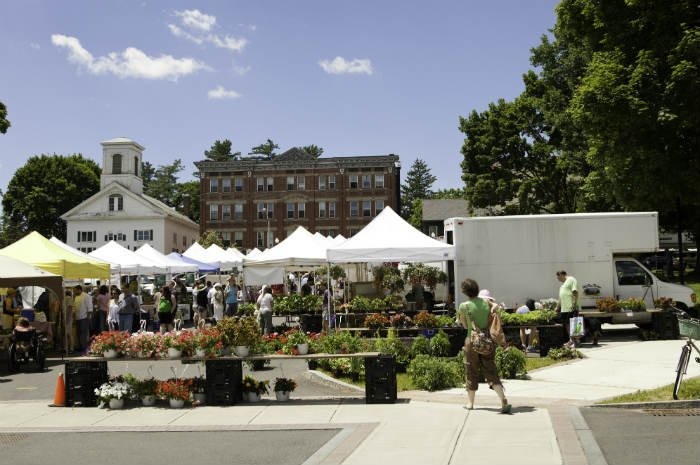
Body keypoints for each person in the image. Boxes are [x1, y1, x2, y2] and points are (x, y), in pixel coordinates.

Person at [456, 278, 511, 413]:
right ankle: (503, 400)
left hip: (471, 341)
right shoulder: (487, 303)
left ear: (465, 292)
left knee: (471, 370)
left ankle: (470, 403)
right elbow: (495, 309)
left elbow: (463, 325)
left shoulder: (464, 306)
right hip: (487, 342)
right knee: (491, 370)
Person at [556, 270, 580, 348]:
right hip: (564, 309)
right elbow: (560, 298)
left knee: (573, 325)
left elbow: (575, 291)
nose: (557, 279)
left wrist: (573, 303)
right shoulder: (562, 286)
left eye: (558, 276)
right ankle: (571, 340)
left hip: (571, 307)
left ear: (562, 274)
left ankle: (575, 341)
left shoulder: (571, 279)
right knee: (567, 325)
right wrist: (557, 307)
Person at [72, 285, 92, 351]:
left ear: (79, 290)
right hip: (78, 318)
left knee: (83, 333)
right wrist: (74, 318)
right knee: (78, 333)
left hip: (84, 317)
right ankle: (80, 346)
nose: (74, 292)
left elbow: (89, 308)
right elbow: (74, 308)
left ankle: (84, 347)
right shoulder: (75, 297)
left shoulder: (86, 296)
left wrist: (88, 318)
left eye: (75, 290)